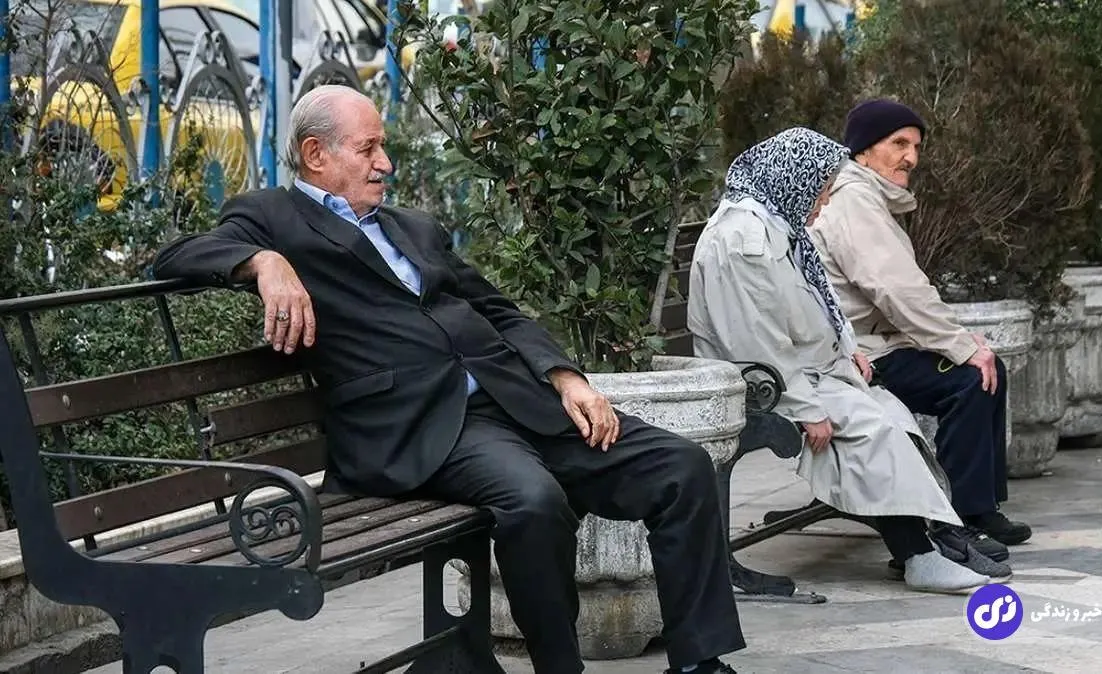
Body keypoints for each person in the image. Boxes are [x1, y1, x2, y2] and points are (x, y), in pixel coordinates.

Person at [151, 84, 744, 674]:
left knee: (681, 466)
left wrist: (567, 378)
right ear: (315, 154)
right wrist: (266, 262)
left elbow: (499, 310)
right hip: (423, 427)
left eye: (383, 146)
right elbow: (176, 255)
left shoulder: (413, 227)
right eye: (368, 148)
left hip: (518, 399)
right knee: (534, 501)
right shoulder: (274, 217)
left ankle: (698, 664)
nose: (385, 163)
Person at [687, 127, 1007, 594]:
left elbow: (815, 305)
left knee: (892, 419)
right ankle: (919, 555)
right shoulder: (745, 240)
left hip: (804, 372)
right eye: (820, 191)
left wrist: (848, 348)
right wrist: (806, 409)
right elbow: (756, 340)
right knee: (872, 430)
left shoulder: (772, 222)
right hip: (771, 384)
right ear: (793, 181)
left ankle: (937, 536)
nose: (823, 203)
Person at [807, 98, 1033, 564]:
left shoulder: (867, 196)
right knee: (970, 380)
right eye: (899, 143)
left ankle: (979, 508)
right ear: (863, 150)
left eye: (916, 146)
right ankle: (957, 520)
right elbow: (897, 290)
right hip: (861, 355)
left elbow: (899, 292)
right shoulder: (854, 200)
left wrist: (963, 344)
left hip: (879, 344)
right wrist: (961, 346)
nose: (911, 156)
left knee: (987, 370)